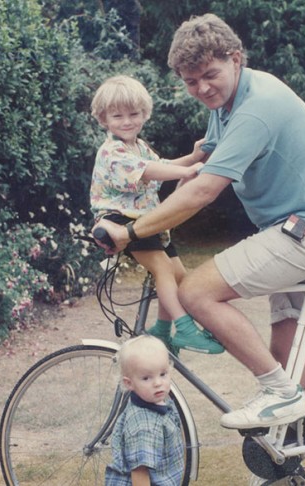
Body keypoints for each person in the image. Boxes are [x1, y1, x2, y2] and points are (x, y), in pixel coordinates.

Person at [94, 14, 305, 430]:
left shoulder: (256, 107)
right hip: (293, 228)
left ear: (235, 58)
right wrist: (189, 159)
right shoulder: (228, 104)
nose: (202, 88)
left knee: (196, 292)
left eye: (210, 75)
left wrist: (132, 231)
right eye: (191, 82)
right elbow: (204, 159)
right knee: (284, 346)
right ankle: (288, 454)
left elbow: (204, 190)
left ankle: (279, 394)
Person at [90, 75, 224, 355]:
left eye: (134, 114)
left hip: (148, 222)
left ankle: (162, 331)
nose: (127, 121)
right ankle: (184, 328)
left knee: (177, 274)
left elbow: (161, 165)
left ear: (144, 114)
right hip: (121, 221)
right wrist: (188, 172)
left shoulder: (138, 146)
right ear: (103, 119)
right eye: (117, 115)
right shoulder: (112, 151)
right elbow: (148, 172)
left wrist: (194, 157)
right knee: (162, 269)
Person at [105, 335, 185, 485]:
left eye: (163, 374)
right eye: (146, 378)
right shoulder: (144, 427)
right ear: (129, 383)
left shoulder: (156, 402)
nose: (158, 383)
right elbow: (140, 474)